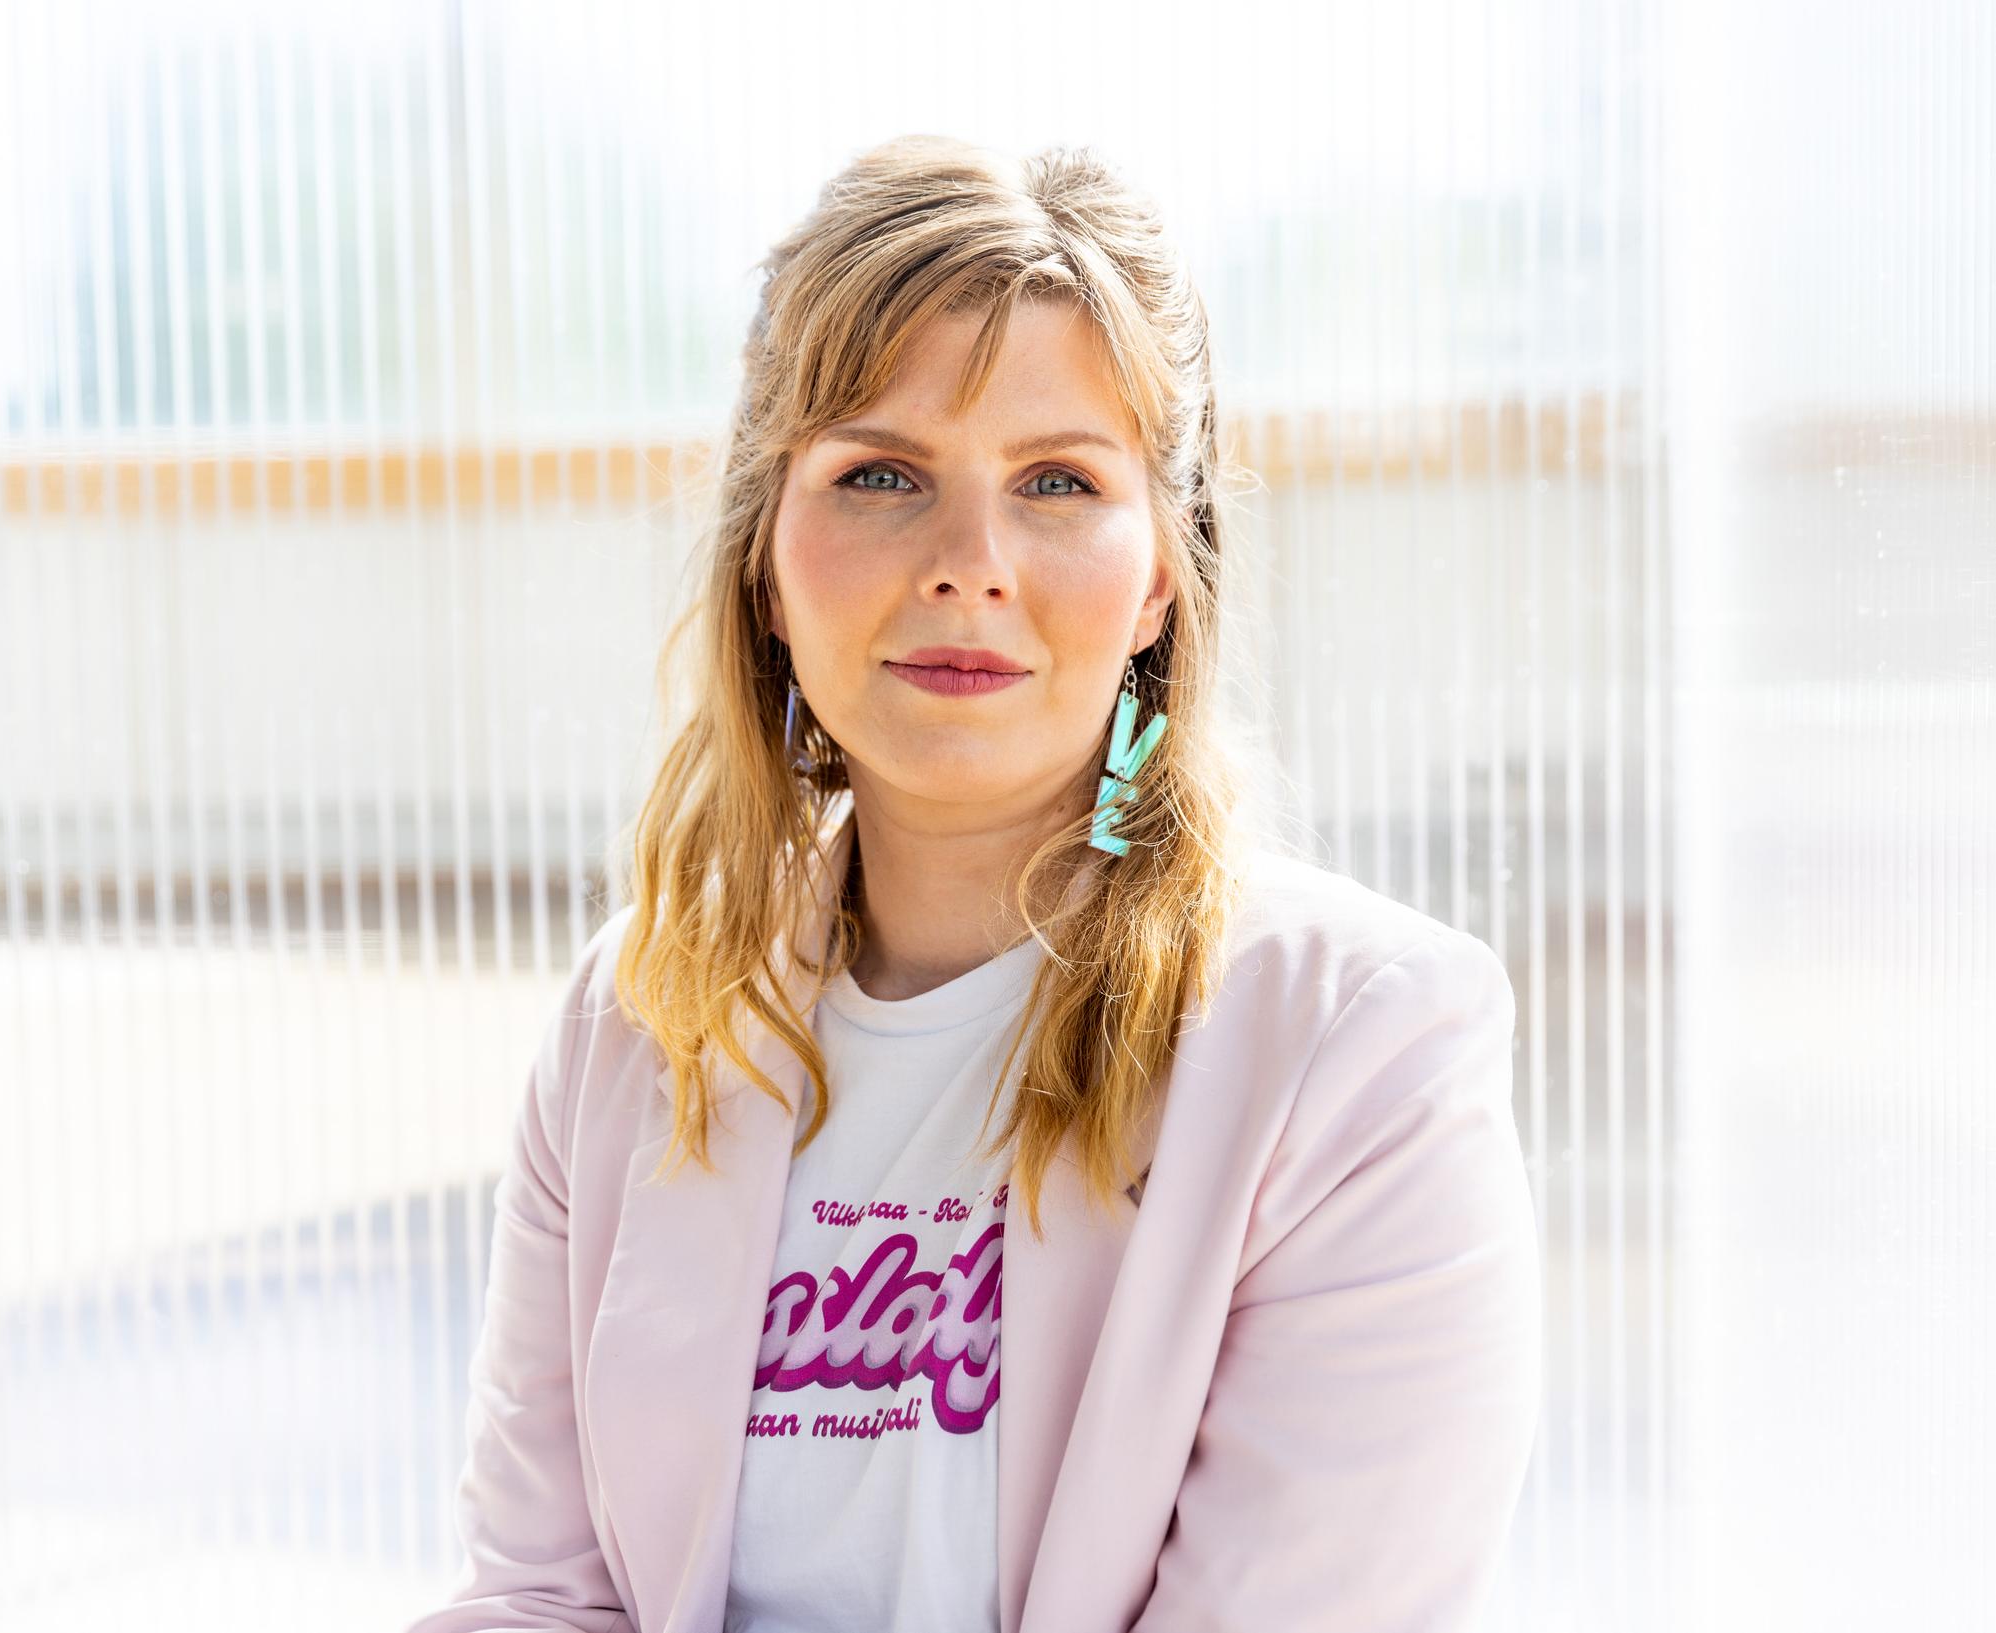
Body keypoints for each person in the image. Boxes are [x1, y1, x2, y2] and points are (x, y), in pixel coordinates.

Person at [405, 134, 1539, 1633]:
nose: (968, 560)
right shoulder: (636, 1014)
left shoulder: (1361, 1051)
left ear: (1158, 576)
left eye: (1058, 481)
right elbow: (537, 1595)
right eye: (880, 473)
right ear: (765, 558)